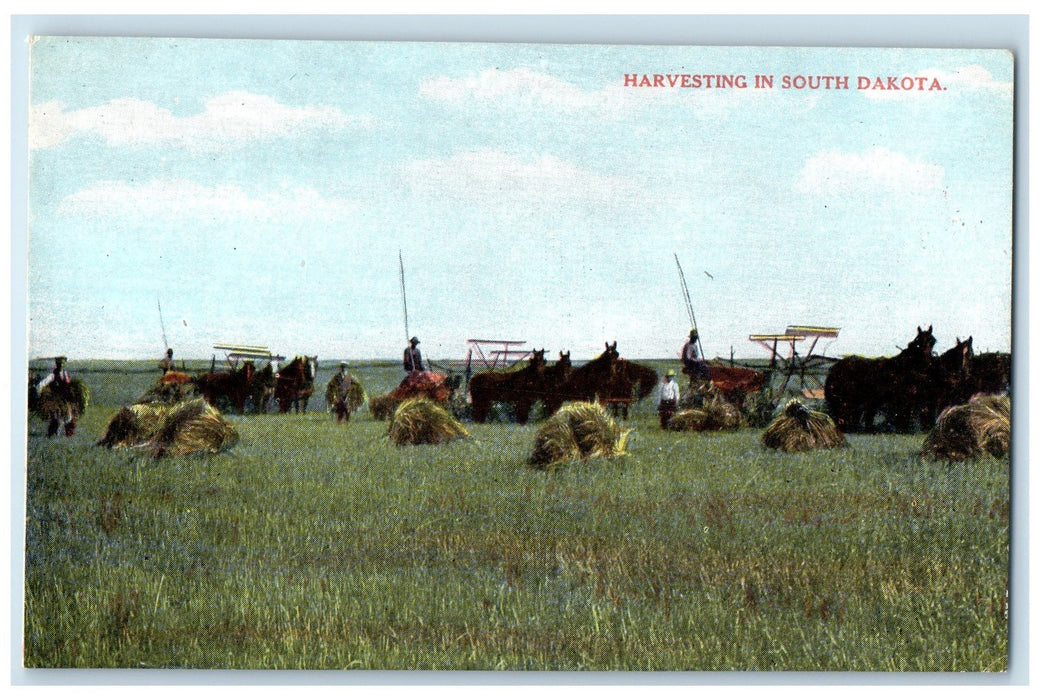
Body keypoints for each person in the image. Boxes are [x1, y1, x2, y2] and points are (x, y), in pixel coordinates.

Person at [36, 356, 76, 437]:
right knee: (57, 417)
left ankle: (64, 434)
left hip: (64, 400)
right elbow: (42, 384)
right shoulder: (53, 375)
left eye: (62, 363)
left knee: (68, 417)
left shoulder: (65, 374)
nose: (61, 365)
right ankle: (53, 434)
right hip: (55, 401)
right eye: (59, 363)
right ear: (56, 364)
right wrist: (39, 393)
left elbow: (69, 385)